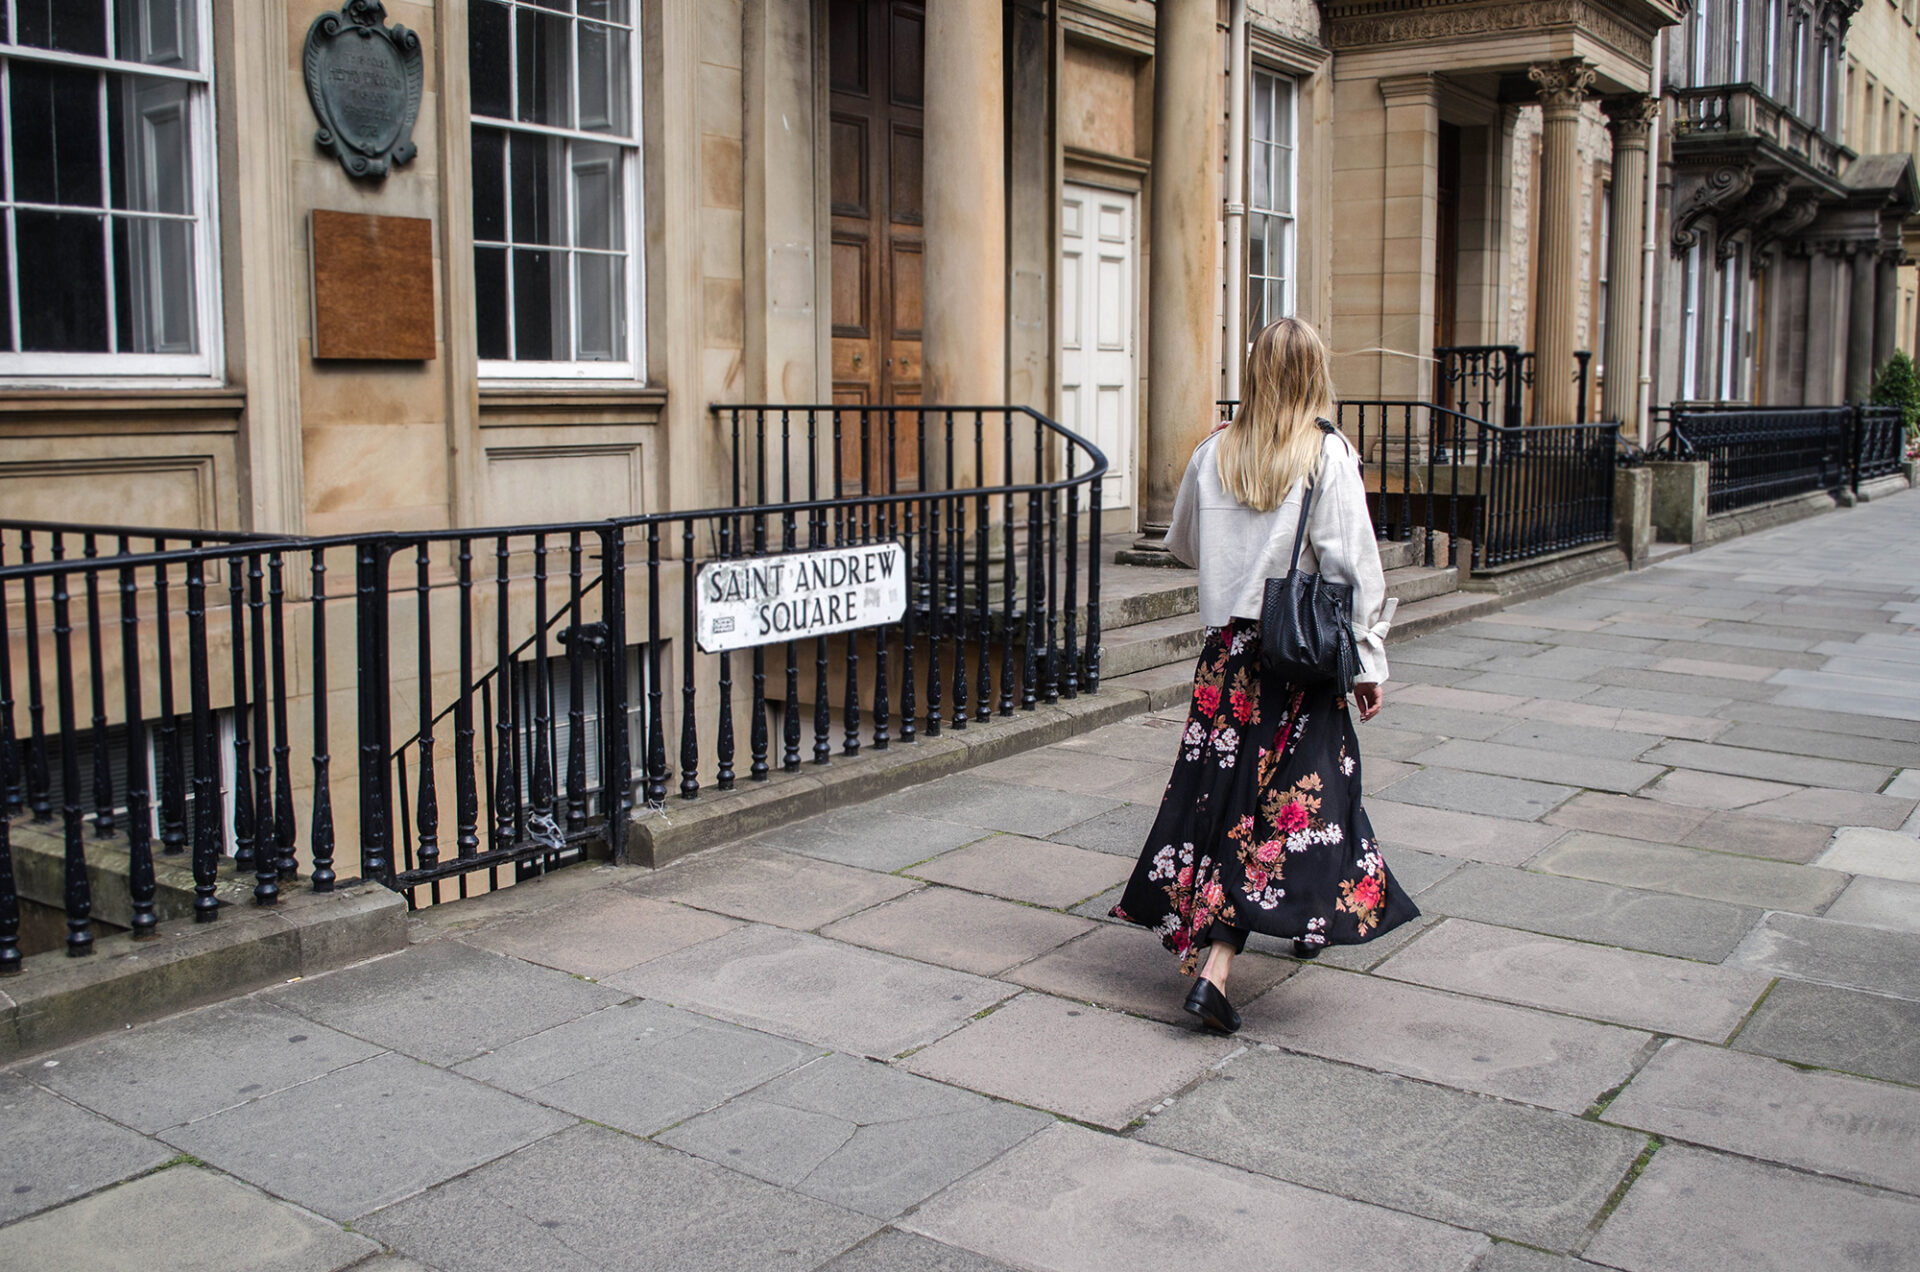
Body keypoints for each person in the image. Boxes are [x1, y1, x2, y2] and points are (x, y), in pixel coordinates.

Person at [1112, 317, 1419, 1034]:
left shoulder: (1213, 452)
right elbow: (1352, 569)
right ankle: (1217, 970)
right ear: (1315, 373)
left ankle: (1299, 920)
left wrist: (1237, 556)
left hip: (1228, 656)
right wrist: (1369, 662)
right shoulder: (1327, 455)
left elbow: (1184, 543)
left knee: (1229, 799)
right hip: (1295, 661)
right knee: (1289, 805)